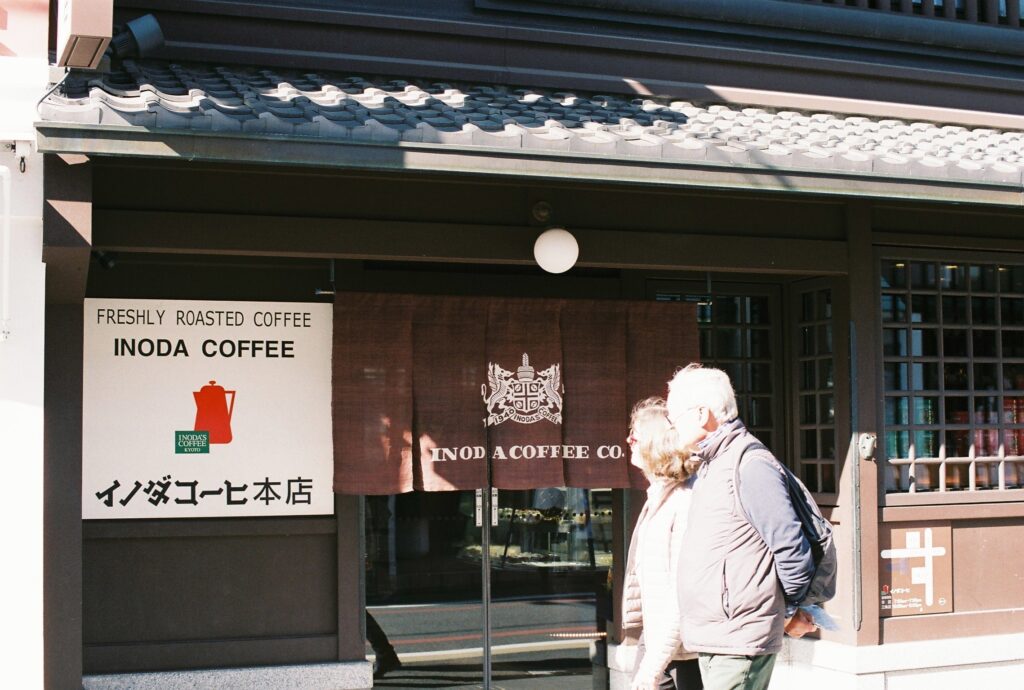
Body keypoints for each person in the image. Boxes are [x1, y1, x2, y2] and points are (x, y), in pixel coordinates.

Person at [666, 364, 816, 690]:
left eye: (674, 418)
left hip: (739, 637)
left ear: (701, 413)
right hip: (720, 635)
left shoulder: (750, 464)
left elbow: (791, 548)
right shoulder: (713, 463)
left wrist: (785, 611)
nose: (671, 428)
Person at [621, 398, 703, 690]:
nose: (629, 441)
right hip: (662, 642)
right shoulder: (658, 497)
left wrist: (652, 666)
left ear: (654, 445)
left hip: (684, 650)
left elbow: (680, 593)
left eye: (635, 435)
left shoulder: (683, 501)